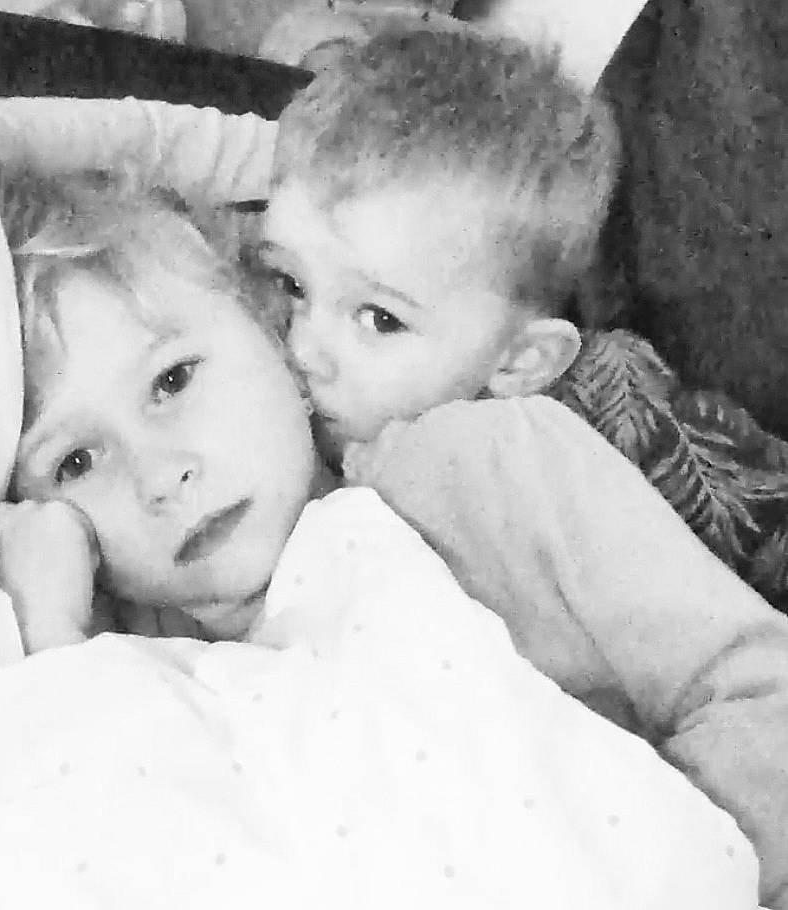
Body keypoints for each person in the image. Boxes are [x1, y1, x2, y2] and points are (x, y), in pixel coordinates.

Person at [256, 28, 788, 910]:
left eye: (379, 319)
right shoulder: (291, 454)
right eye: (290, 284)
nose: (306, 347)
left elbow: (755, 690)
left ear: (520, 361)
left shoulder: (509, 456)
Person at [0, 171, 329, 649]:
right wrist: (44, 625)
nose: (161, 477)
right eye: (76, 463)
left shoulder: (429, 481)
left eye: (173, 380)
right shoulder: (122, 666)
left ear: (271, 324)